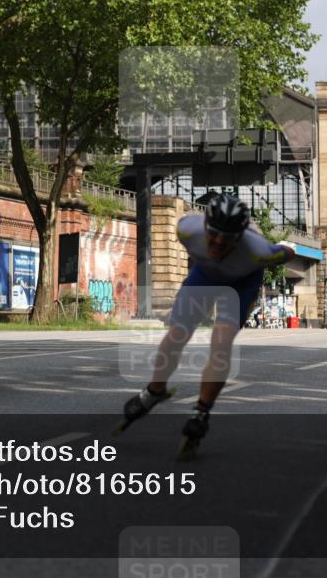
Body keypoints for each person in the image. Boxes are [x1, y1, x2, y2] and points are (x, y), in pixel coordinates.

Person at [116, 194, 295, 459]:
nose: (219, 242)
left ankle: (201, 411)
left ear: (240, 237)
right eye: (214, 234)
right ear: (205, 228)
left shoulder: (258, 251)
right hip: (205, 275)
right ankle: (155, 391)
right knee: (177, 333)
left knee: (221, 342)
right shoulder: (186, 229)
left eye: (229, 238)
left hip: (242, 282)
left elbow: (288, 251)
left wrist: (286, 246)